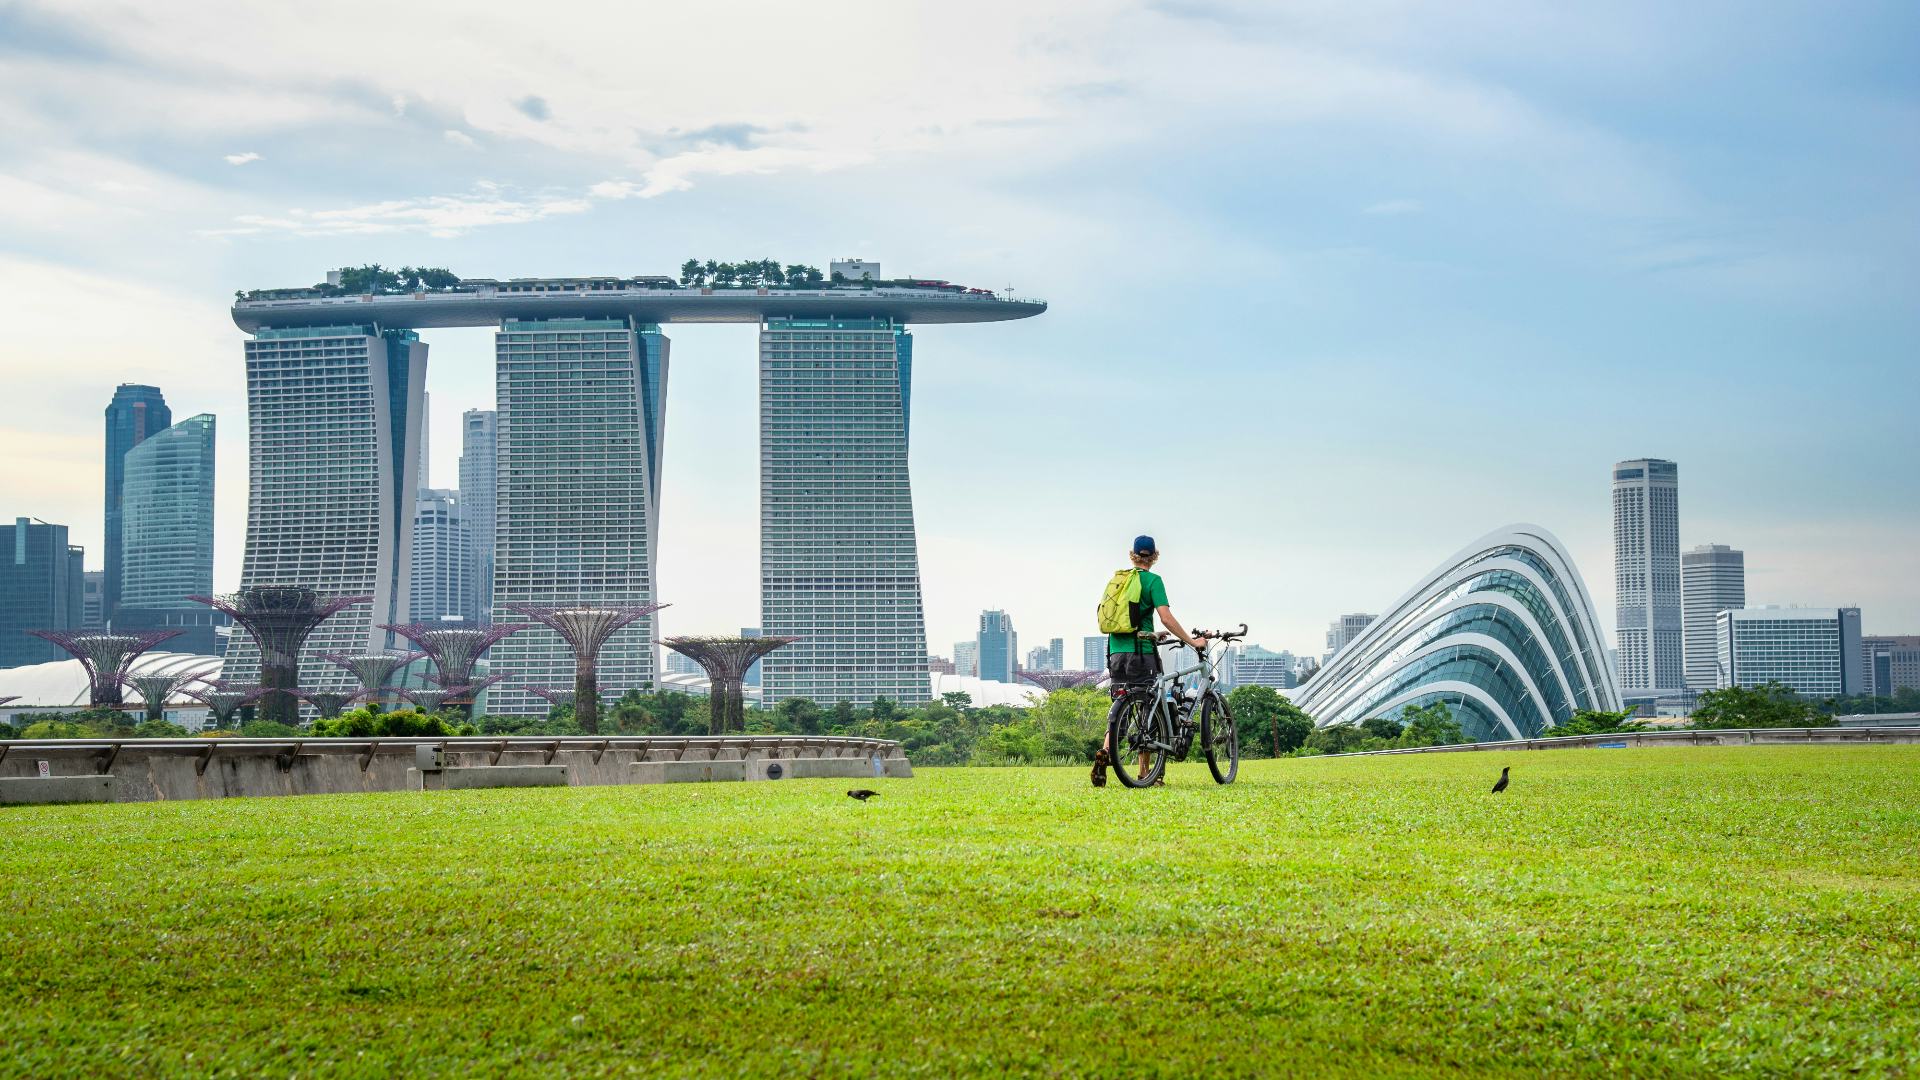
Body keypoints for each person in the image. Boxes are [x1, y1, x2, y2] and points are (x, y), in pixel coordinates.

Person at [1092, 535, 1208, 787]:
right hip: (1142, 654)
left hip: (1116, 653)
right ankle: (1146, 774)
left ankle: (1106, 750)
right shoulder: (1153, 581)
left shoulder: (1118, 581)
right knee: (1149, 709)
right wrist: (1191, 641)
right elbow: (1166, 617)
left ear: (1132, 555)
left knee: (1123, 706)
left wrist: (1154, 633)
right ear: (1154, 556)